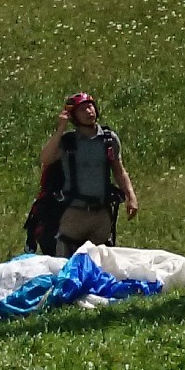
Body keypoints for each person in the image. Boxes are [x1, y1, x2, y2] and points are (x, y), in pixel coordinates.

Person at [32, 91, 135, 254]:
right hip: (74, 214)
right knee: (67, 264)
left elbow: (119, 170)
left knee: (101, 264)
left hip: (101, 213)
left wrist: (131, 196)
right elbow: (45, 159)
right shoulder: (67, 142)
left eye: (90, 107)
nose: (89, 111)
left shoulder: (109, 140)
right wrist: (61, 129)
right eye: (83, 110)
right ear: (73, 116)